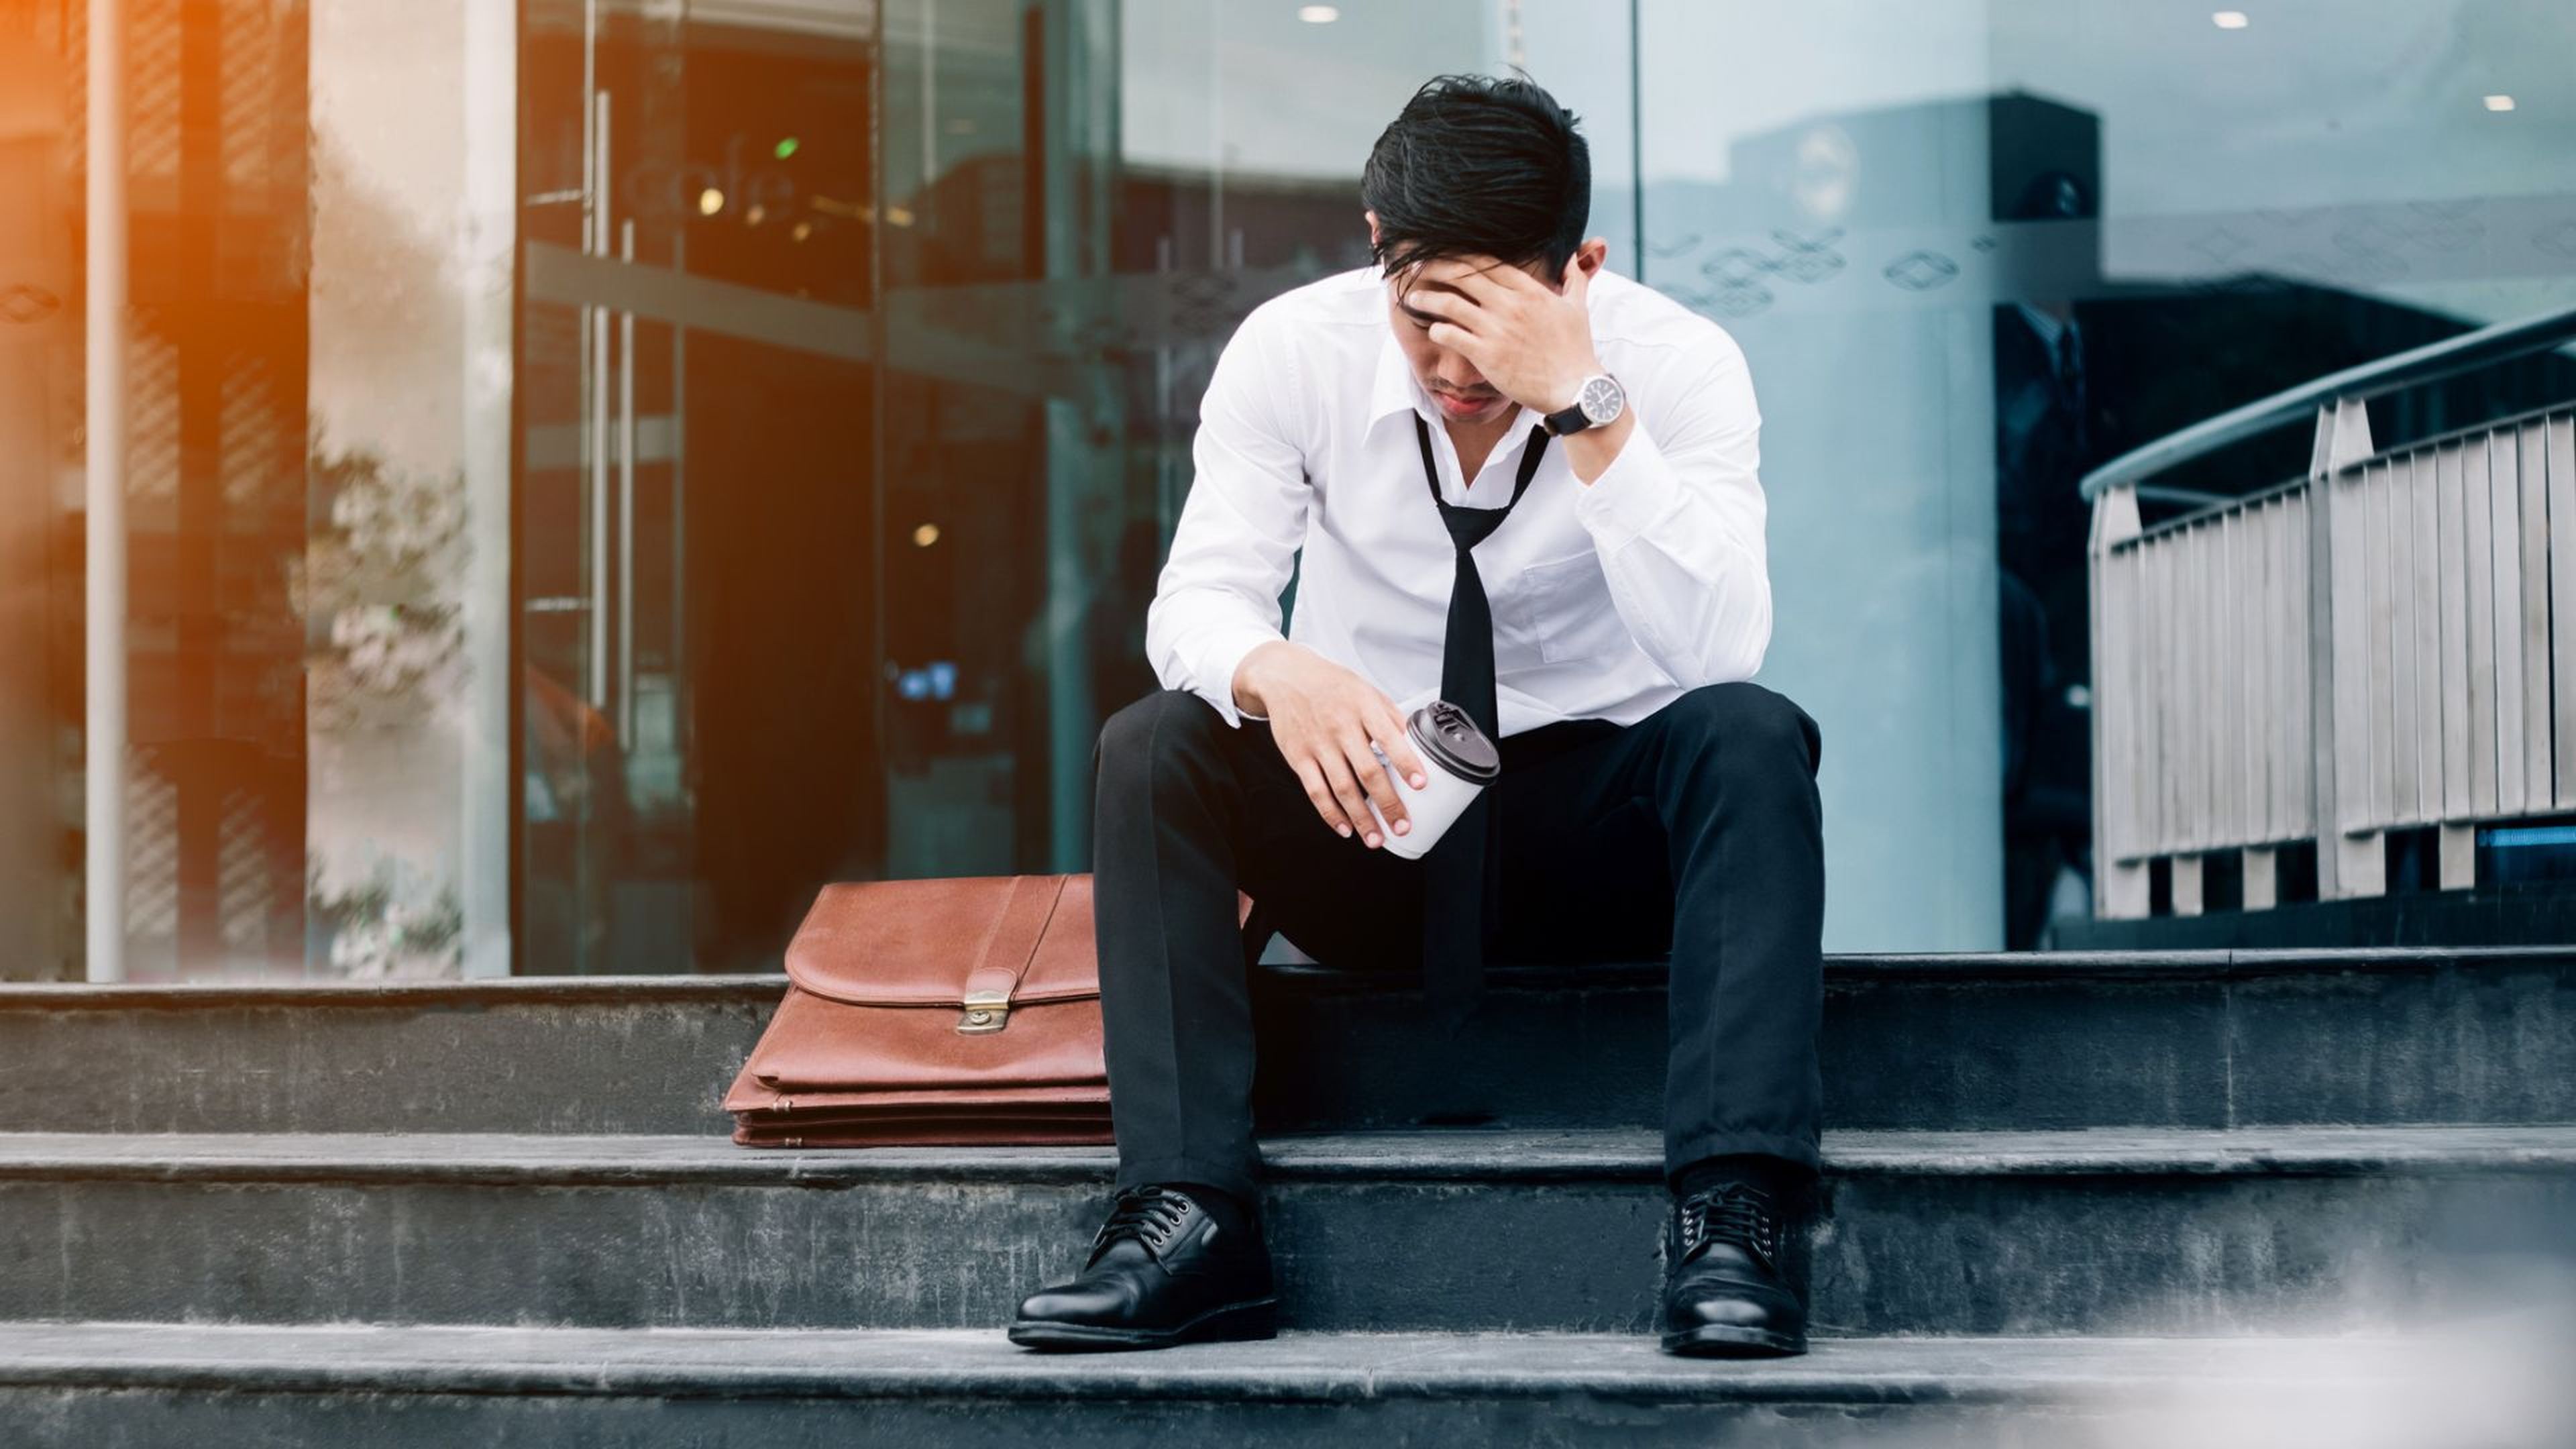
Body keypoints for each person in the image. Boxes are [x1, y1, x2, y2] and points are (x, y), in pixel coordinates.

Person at [1008, 73, 1825, 1358]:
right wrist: (1283, 673)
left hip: (1600, 847)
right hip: (1378, 821)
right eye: (1422, 318)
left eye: (1491, 324)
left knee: (1752, 734)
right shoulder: (1293, 351)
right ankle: (1188, 1217)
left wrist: (1586, 407)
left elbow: (1721, 649)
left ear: (1580, 270)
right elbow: (1199, 603)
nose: (1454, 369)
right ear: (1376, 252)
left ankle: (1733, 1215)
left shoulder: (1680, 366)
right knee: (1156, 740)